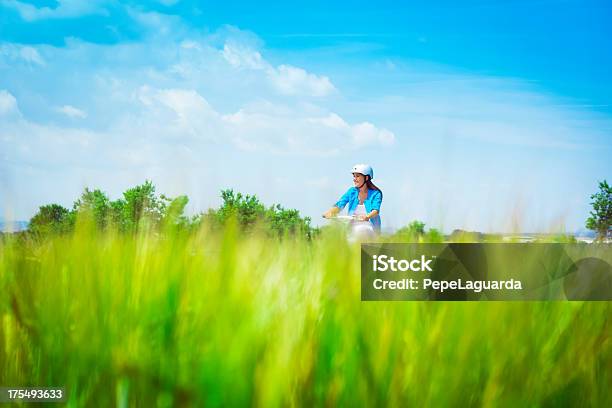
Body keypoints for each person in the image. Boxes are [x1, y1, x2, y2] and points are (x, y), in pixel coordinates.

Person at [322, 164, 383, 236]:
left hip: (370, 229)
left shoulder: (376, 193)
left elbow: (376, 210)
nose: (354, 179)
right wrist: (331, 212)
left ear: (366, 178)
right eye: (354, 176)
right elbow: (340, 204)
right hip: (353, 229)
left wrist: (367, 216)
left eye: (357, 176)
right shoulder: (352, 192)